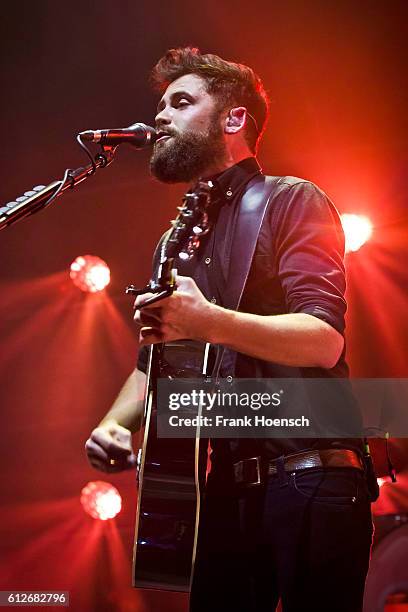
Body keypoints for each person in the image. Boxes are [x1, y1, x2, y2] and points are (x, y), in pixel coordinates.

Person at [85, 47, 373, 611]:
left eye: (181, 103)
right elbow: (158, 363)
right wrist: (115, 424)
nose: (160, 118)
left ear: (234, 119)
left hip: (311, 476)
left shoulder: (292, 199)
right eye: (160, 105)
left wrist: (210, 321)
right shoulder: (175, 241)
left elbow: (323, 340)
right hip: (223, 490)